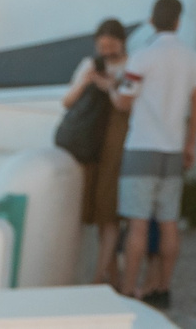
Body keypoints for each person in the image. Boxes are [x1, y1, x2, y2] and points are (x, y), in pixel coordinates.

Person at [114, 0, 196, 309]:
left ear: (152, 20)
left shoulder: (142, 57)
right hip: (174, 148)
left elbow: (124, 100)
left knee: (137, 223)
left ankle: (128, 289)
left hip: (141, 147)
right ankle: (162, 289)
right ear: (178, 21)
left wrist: (111, 90)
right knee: (168, 222)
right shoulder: (192, 58)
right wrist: (190, 144)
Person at [60, 18, 133, 286]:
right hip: (91, 146)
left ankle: (99, 276)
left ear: (121, 42)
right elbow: (67, 101)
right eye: (102, 45)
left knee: (109, 214)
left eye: (111, 44)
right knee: (100, 217)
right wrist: (88, 80)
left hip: (115, 148)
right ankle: (110, 275)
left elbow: (124, 105)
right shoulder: (90, 65)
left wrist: (110, 84)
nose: (106, 50)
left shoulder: (131, 67)